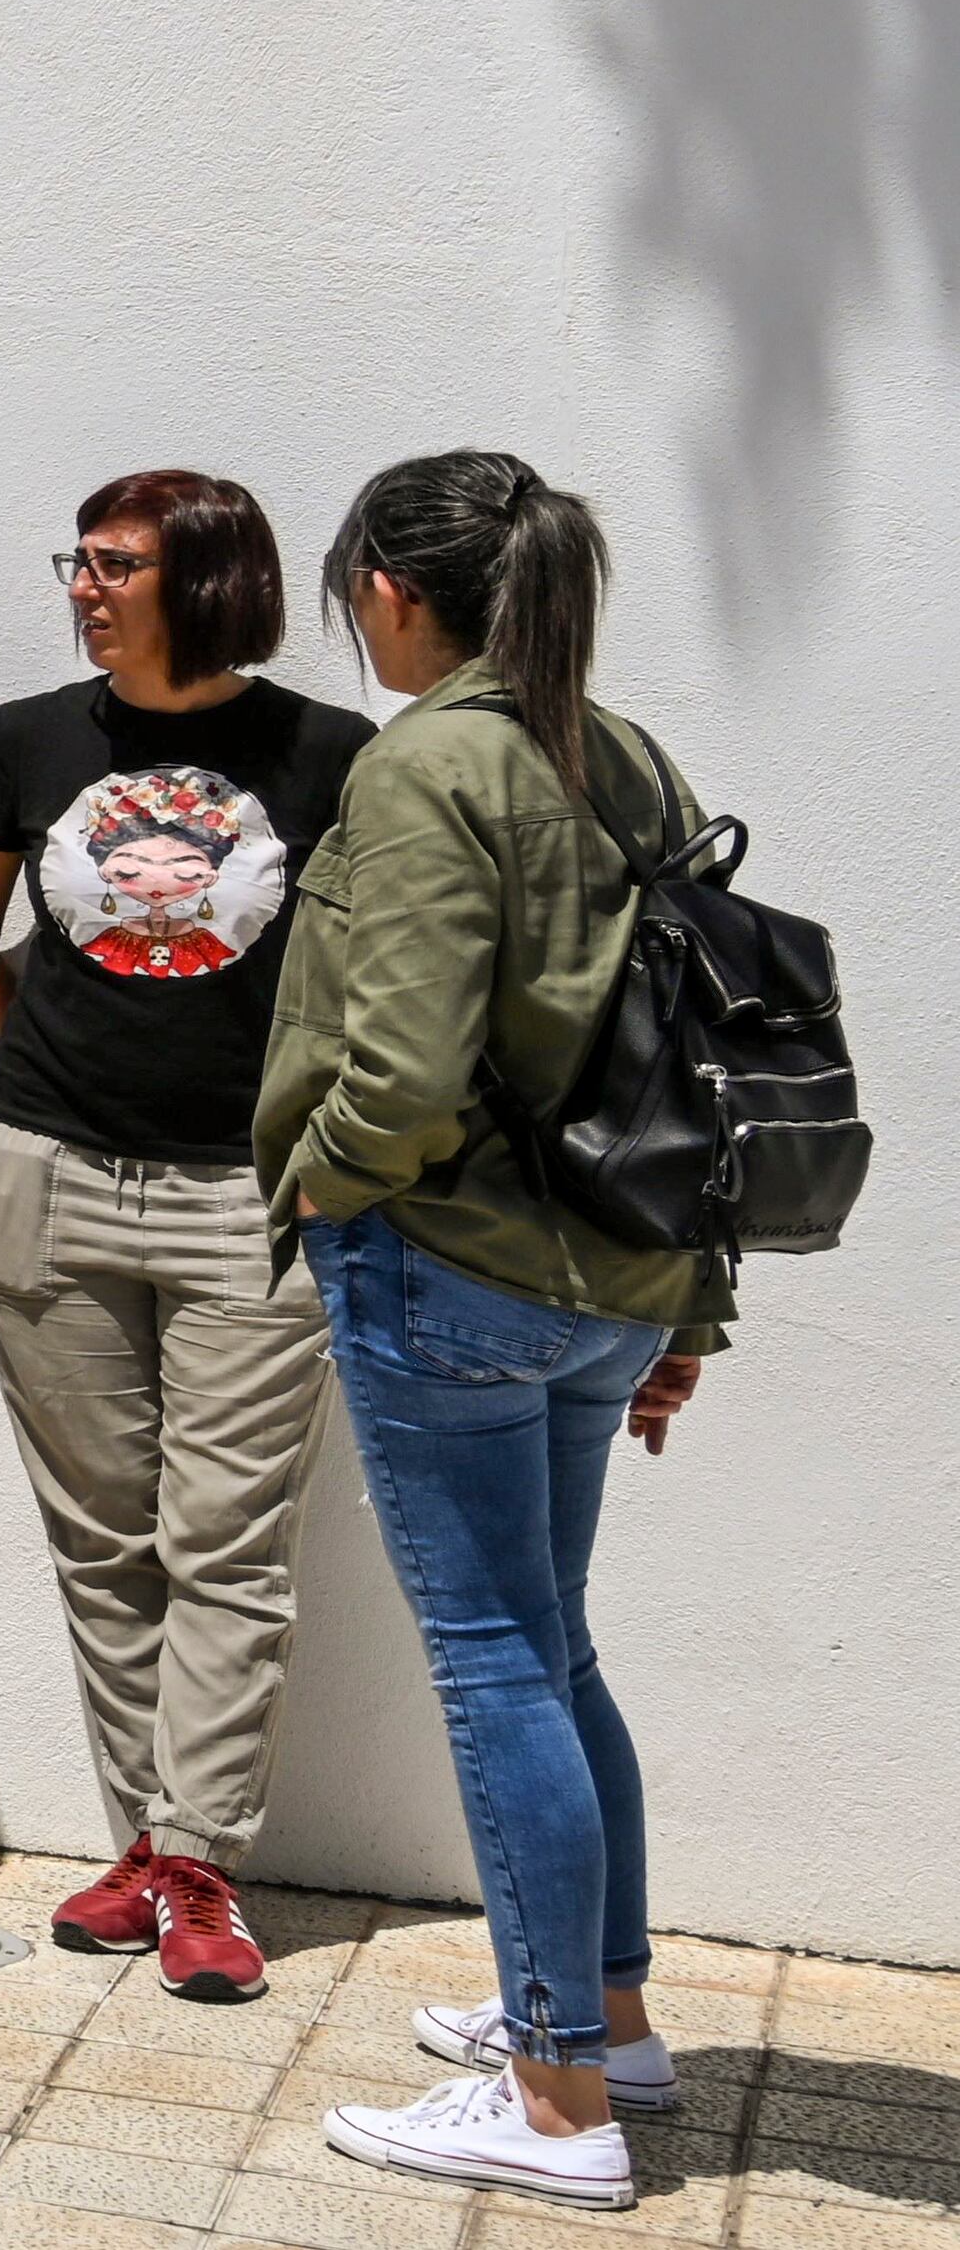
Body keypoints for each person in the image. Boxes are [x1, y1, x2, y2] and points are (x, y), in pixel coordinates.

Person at [270, 453, 719, 2212]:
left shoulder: (427, 760)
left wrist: (323, 1183)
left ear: (392, 584)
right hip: (612, 1277)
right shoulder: (619, 748)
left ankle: (553, 2102)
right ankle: (608, 2019)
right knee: (552, 1640)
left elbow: (401, 1056)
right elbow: (701, 1044)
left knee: (494, 1654)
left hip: (450, 1269)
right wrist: (692, 1298)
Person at [0, 474, 371, 2002]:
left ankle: (200, 1860)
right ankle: (149, 1851)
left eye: (114, 563)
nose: (83, 586)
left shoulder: (328, 754)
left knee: (228, 1542)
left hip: (247, 1202)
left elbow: (378, 981)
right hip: (47, 1180)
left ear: (206, 580)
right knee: (105, 1536)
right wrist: (52, 1080)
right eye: (81, 559)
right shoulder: (31, 739)